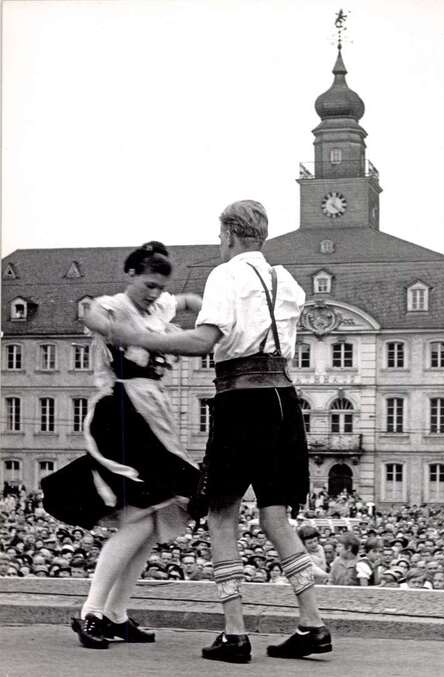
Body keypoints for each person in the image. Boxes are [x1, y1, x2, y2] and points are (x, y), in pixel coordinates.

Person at [110, 201, 332, 663]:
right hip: (283, 400)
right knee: (276, 519)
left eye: (220, 235)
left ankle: (235, 634)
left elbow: (204, 341)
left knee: (221, 516)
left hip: (241, 400)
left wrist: (143, 339)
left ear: (230, 234)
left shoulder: (226, 275)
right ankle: (312, 624)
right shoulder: (285, 281)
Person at [44, 241, 201, 649]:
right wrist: (115, 329)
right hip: (124, 415)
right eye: (148, 285)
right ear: (130, 275)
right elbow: (90, 313)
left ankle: (115, 614)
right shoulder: (114, 304)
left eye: (158, 287)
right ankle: (92, 613)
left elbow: (182, 299)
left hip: (153, 414)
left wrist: (201, 302)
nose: (153, 293)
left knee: (150, 524)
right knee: (137, 519)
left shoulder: (157, 305)